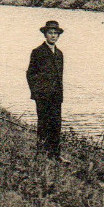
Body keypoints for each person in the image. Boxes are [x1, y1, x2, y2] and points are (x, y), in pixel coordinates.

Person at [26, 20, 66, 161]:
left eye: (56, 33)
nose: (53, 36)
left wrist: (60, 94)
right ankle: (42, 154)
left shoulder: (59, 54)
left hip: (56, 96)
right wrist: (37, 93)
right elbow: (30, 74)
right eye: (50, 33)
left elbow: (59, 76)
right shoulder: (37, 52)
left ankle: (55, 155)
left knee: (56, 124)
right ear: (45, 34)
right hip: (43, 96)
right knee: (43, 124)